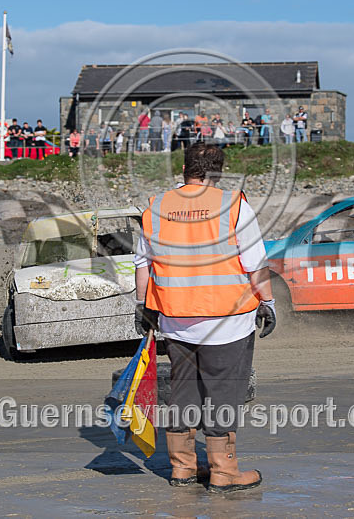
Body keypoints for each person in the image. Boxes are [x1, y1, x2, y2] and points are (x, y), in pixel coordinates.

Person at [134, 142, 276, 494]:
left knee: (183, 392)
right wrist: (268, 302)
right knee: (223, 394)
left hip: (176, 319)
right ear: (218, 172)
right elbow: (254, 263)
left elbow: (142, 264)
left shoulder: (156, 207)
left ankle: (182, 468)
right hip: (227, 321)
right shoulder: (232, 206)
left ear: (183, 169)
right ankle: (223, 471)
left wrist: (143, 305)